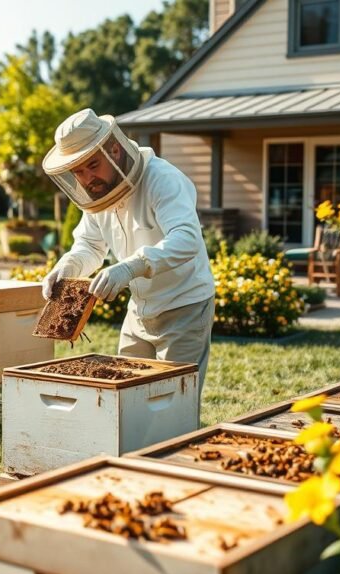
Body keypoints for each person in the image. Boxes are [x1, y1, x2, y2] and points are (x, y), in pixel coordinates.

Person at [41, 108, 215, 409]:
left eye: (92, 165)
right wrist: (66, 266)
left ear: (115, 150)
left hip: (184, 305)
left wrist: (132, 266)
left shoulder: (163, 179)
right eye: (78, 172)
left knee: (173, 403)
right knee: (127, 399)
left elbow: (187, 239)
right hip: (139, 310)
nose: (87, 179)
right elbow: (90, 246)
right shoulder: (97, 194)